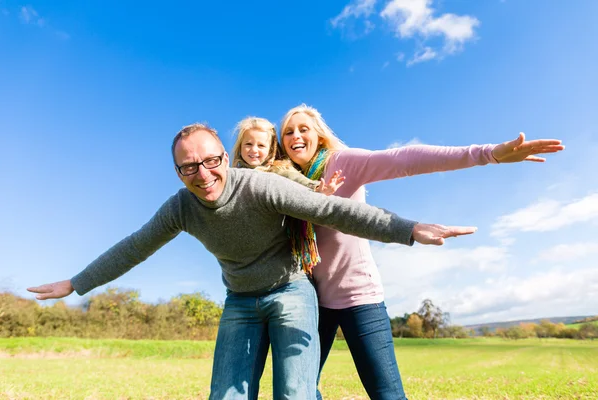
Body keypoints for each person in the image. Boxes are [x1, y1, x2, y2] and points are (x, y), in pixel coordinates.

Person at [27, 123, 477, 400]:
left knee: (295, 392)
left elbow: (334, 210)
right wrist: (76, 282)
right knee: (225, 393)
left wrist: (407, 229)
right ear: (178, 172)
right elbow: (135, 246)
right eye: (189, 168)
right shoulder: (180, 208)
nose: (204, 175)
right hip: (240, 302)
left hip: (291, 292)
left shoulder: (259, 186)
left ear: (226, 155)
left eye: (211, 160)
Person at [278, 104, 565, 400]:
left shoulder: (341, 163)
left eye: (303, 129)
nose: (296, 136)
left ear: (320, 137)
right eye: (288, 132)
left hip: (358, 297)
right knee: (299, 390)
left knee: (387, 394)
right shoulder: (285, 183)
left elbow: (405, 159)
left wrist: (488, 154)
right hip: (313, 302)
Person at [231, 116, 344, 273]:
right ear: (240, 147)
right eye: (248, 144)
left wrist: (317, 188)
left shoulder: (278, 169)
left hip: (277, 240)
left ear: (271, 150)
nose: (254, 150)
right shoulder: (234, 175)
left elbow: (299, 181)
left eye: (261, 145)